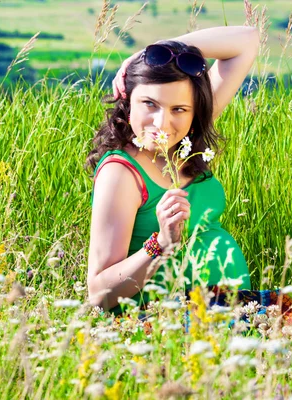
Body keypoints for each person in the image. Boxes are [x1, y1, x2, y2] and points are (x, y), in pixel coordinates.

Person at [86, 26, 260, 313]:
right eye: (149, 104)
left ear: (195, 113)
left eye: (179, 109)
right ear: (128, 103)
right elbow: (100, 294)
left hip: (228, 311)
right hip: (161, 324)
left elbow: (247, 40)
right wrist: (162, 244)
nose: (162, 123)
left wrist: (148, 53)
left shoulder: (184, 142)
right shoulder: (121, 173)